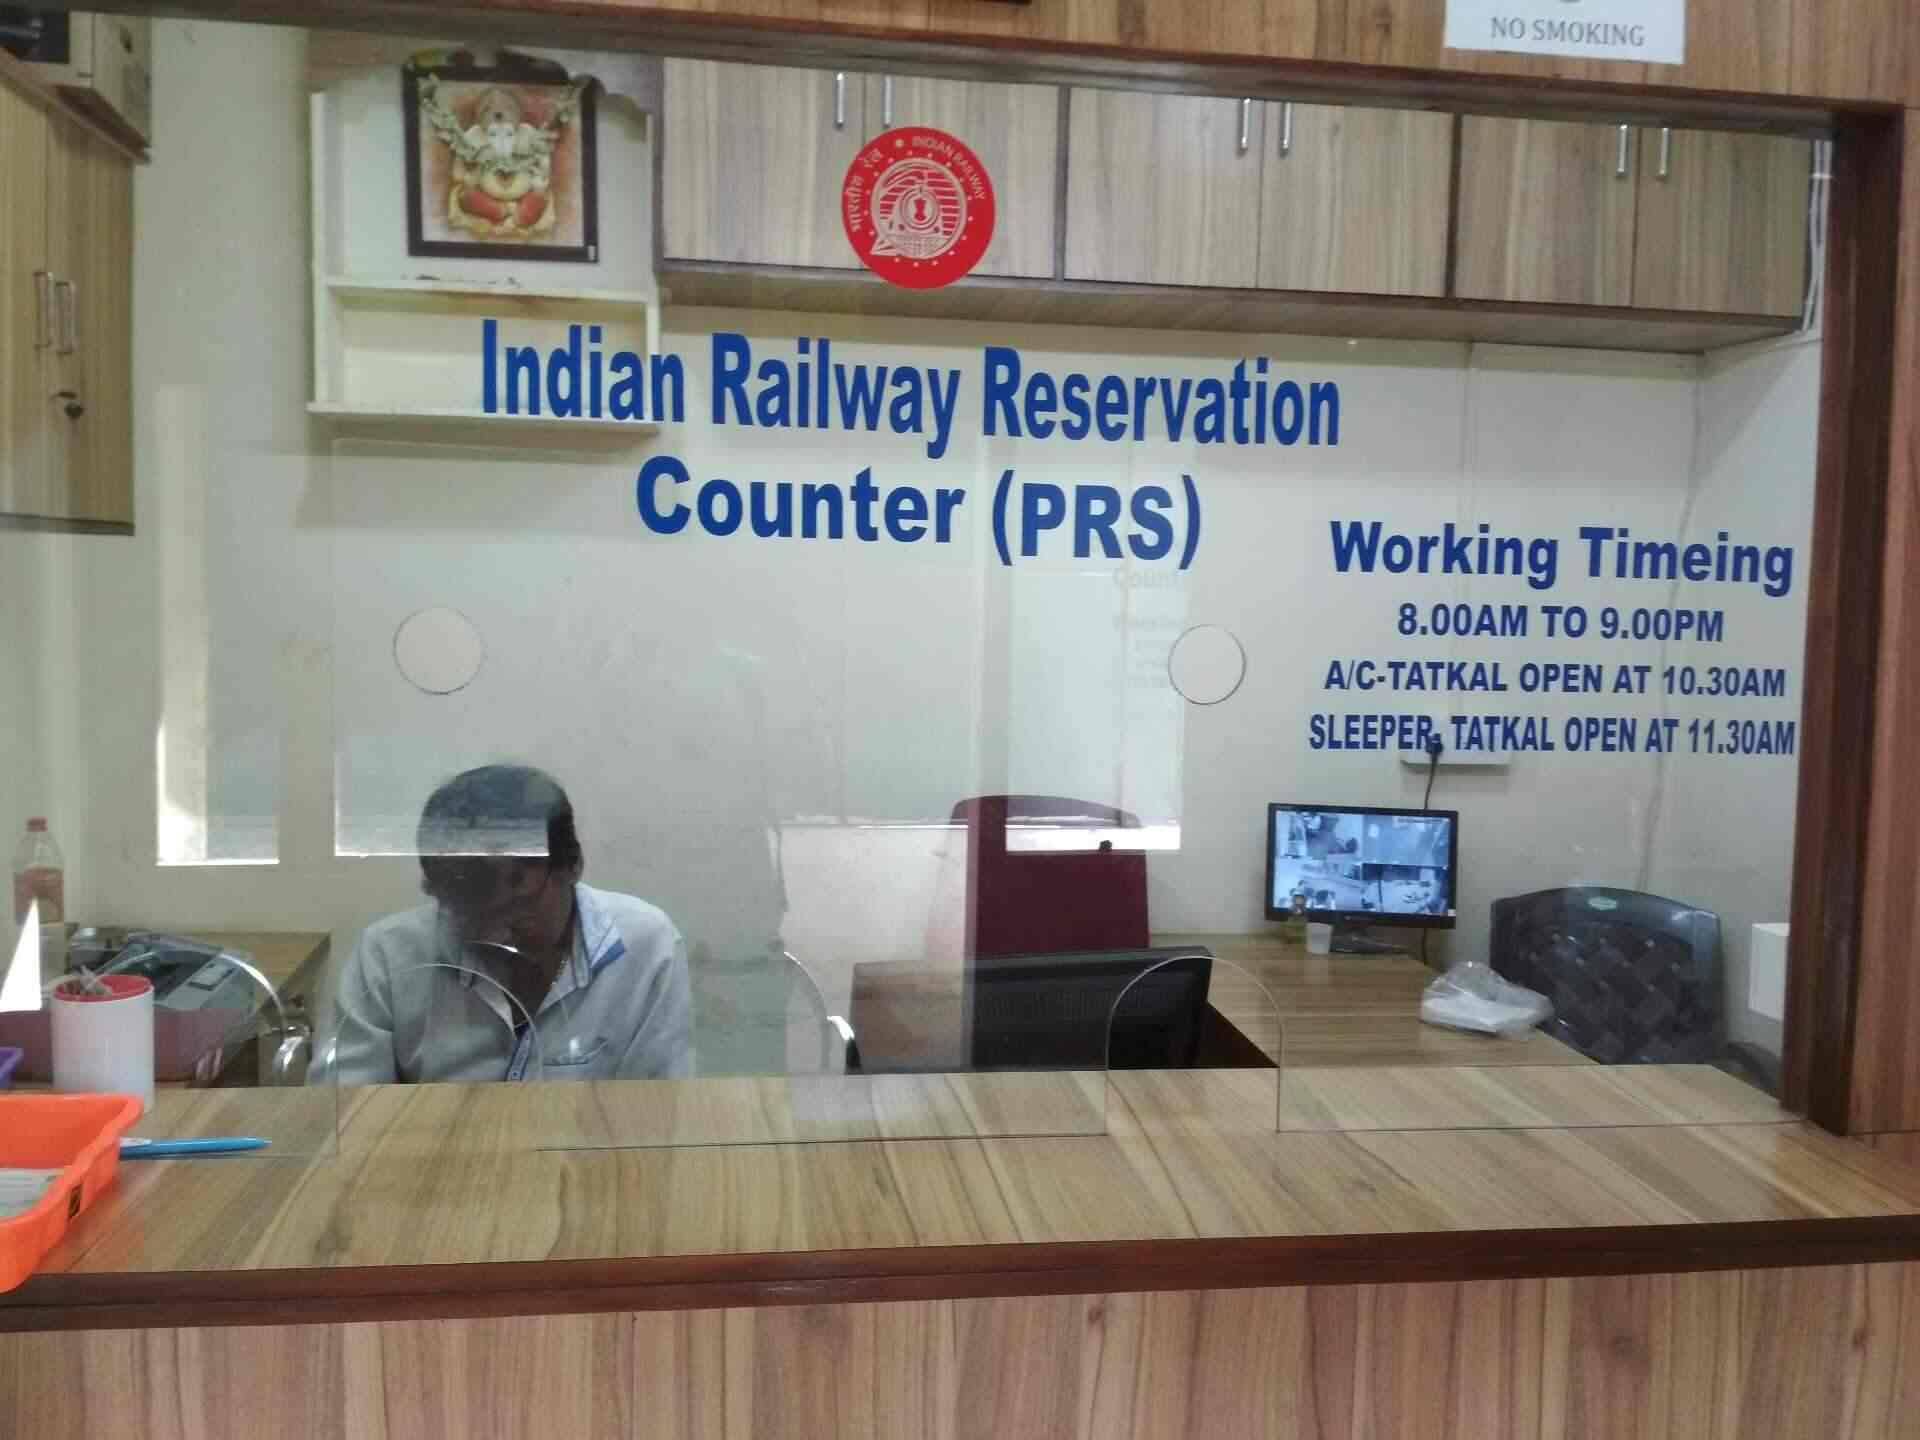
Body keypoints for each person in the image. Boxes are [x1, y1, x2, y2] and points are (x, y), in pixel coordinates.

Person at [319, 765, 693, 1085]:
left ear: (572, 866)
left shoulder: (645, 948)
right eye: (471, 910)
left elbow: (659, 1111)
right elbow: (341, 1111)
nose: (496, 934)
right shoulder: (388, 957)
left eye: (519, 907)